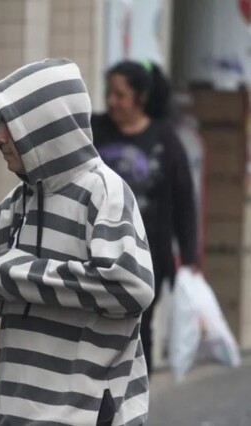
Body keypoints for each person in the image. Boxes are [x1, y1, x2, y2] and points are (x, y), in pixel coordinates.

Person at [0, 58, 155, 425]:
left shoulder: (104, 192)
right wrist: (3, 275)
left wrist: (13, 274)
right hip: (14, 412)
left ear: (45, 126)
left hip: (87, 412)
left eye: (9, 123)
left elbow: (133, 287)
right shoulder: (22, 199)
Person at [91, 60, 199, 373]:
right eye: (109, 93)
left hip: (147, 256)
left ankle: (135, 401)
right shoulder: (95, 130)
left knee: (139, 329)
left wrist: (190, 258)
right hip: (96, 251)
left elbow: (184, 201)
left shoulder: (165, 138)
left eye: (120, 95)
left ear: (140, 98)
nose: (112, 101)